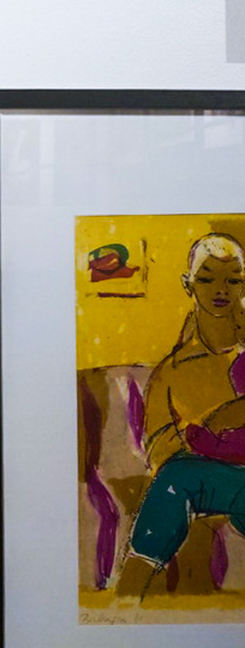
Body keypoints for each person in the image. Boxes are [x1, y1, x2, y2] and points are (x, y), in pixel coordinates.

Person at [118, 233, 245, 595]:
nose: (220, 290)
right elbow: (160, 453)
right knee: (177, 476)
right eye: (206, 278)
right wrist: (214, 443)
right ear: (188, 284)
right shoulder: (172, 372)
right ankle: (127, 598)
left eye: (233, 280)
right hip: (211, 482)